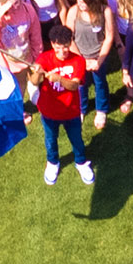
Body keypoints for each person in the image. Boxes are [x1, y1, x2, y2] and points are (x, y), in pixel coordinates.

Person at [33, 23, 95, 187]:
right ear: (53, 44)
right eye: (59, 47)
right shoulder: (44, 58)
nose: (62, 52)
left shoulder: (78, 61)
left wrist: (59, 78)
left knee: (77, 139)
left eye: (66, 47)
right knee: (51, 140)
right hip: (48, 111)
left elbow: (75, 85)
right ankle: (52, 163)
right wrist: (37, 73)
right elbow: (34, 82)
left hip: (71, 111)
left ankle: (81, 162)